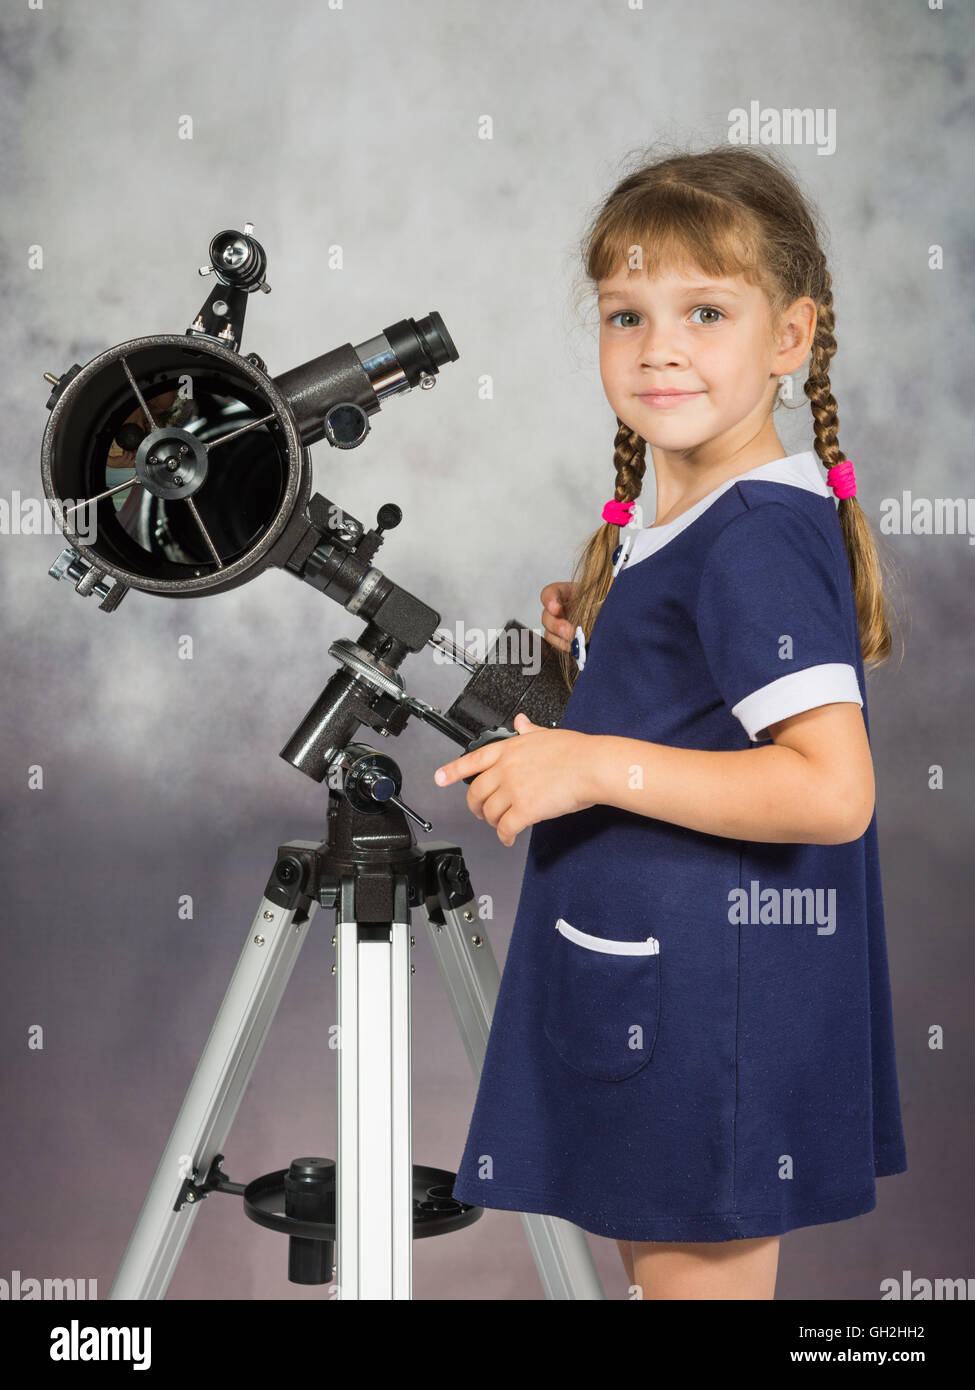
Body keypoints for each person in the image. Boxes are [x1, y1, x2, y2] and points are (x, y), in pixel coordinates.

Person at [433, 144, 908, 1300]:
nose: (659, 347)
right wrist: (595, 647)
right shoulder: (702, 521)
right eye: (625, 314)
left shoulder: (751, 533)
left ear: (790, 340)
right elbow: (705, 712)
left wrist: (589, 762)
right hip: (665, 993)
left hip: (704, 1025)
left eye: (705, 310)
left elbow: (831, 791)